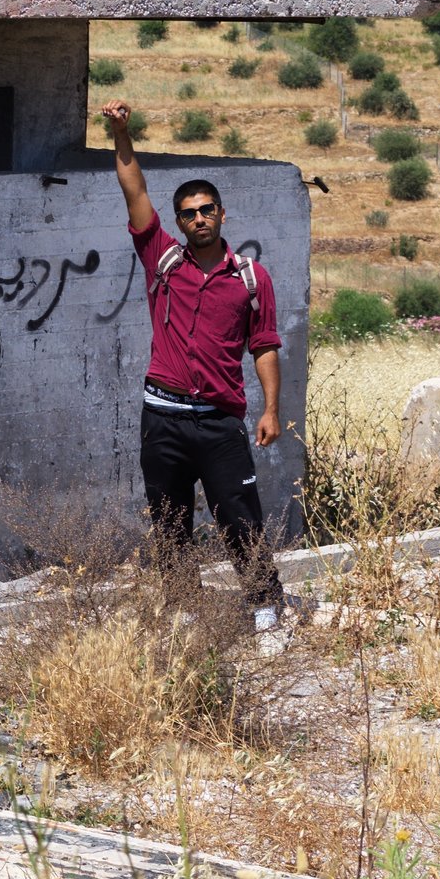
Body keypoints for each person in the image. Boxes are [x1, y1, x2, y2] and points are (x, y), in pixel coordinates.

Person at [100, 99, 288, 629]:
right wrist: (122, 134)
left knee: (239, 518)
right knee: (170, 521)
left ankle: (265, 609)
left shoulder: (252, 278)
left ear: (222, 215)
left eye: (207, 210)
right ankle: (184, 609)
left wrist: (270, 408)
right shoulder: (161, 259)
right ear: (178, 221)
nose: (199, 218)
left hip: (218, 422)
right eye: (189, 213)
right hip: (161, 417)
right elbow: (133, 189)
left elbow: (265, 345)